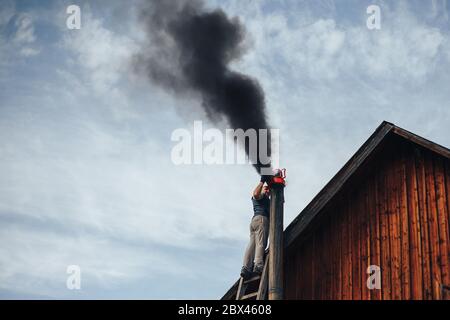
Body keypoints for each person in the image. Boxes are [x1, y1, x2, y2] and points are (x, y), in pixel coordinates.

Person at [240, 175, 271, 280]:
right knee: (260, 243)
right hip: (261, 219)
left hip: (254, 221)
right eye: (266, 188)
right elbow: (255, 193)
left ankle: (246, 267)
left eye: (268, 189)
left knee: (252, 244)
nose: (267, 190)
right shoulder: (262, 196)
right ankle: (258, 265)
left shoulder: (266, 199)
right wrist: (262, 181)